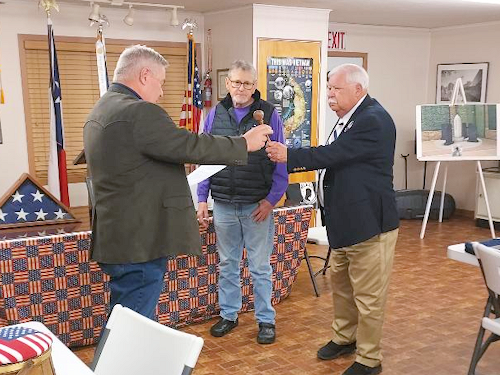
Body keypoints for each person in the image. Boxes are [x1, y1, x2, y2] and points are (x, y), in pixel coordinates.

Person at [83, 45, 272, 322]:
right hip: (140, 241)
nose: (160, 92)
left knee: (123, 322)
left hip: (119, 237)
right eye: (160, 83)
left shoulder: (102, 108)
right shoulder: (139, 112)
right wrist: (243, 143)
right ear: (145, 75)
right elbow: (188, 145)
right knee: (133, 330)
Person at [266, 64, 399, 375]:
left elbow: (332, 155)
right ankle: (344, 338)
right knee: (341, 286)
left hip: (370, 225)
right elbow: (336, 156)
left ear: (358, 89)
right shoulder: (348, 119)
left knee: (368, 296)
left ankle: (369, 359)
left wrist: (290, 156)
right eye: (328, 88)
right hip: (345, 223)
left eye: (336, 89)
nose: (329, 94)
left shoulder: (372, 121)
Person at [197, 60, 288, 344]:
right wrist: (202, 198)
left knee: (260, 266)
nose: (241, 88)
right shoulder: (215, 114)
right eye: (236, 82)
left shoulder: (269, 114)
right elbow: (205, 156)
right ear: (227, 83)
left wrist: (272, 200)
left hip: (256, 205)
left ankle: (266, 320)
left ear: (255, 85)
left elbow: (281, 160)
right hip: (223, 202)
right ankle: (229, 315)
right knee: (228, 264)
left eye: (248, 83)